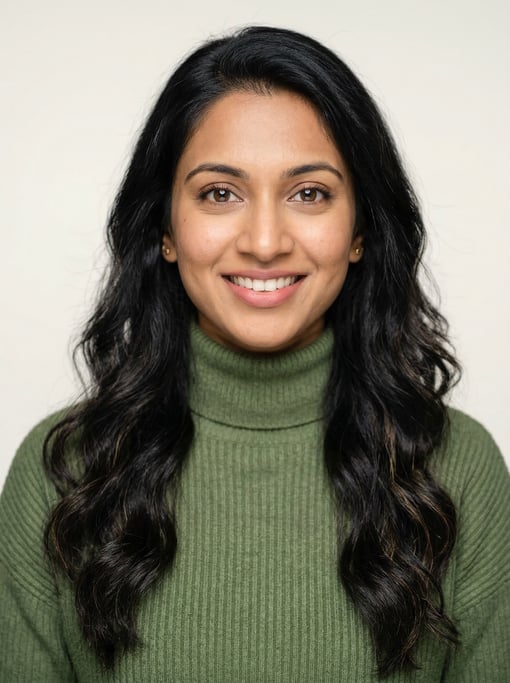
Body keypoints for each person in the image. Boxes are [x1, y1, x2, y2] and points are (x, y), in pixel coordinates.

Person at [0, 25, 509, 683]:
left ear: (359, 232)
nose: (265, 241)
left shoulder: (458, 470)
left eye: (310, 193)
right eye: (219, 193)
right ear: (165, 229)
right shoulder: (62, 474)